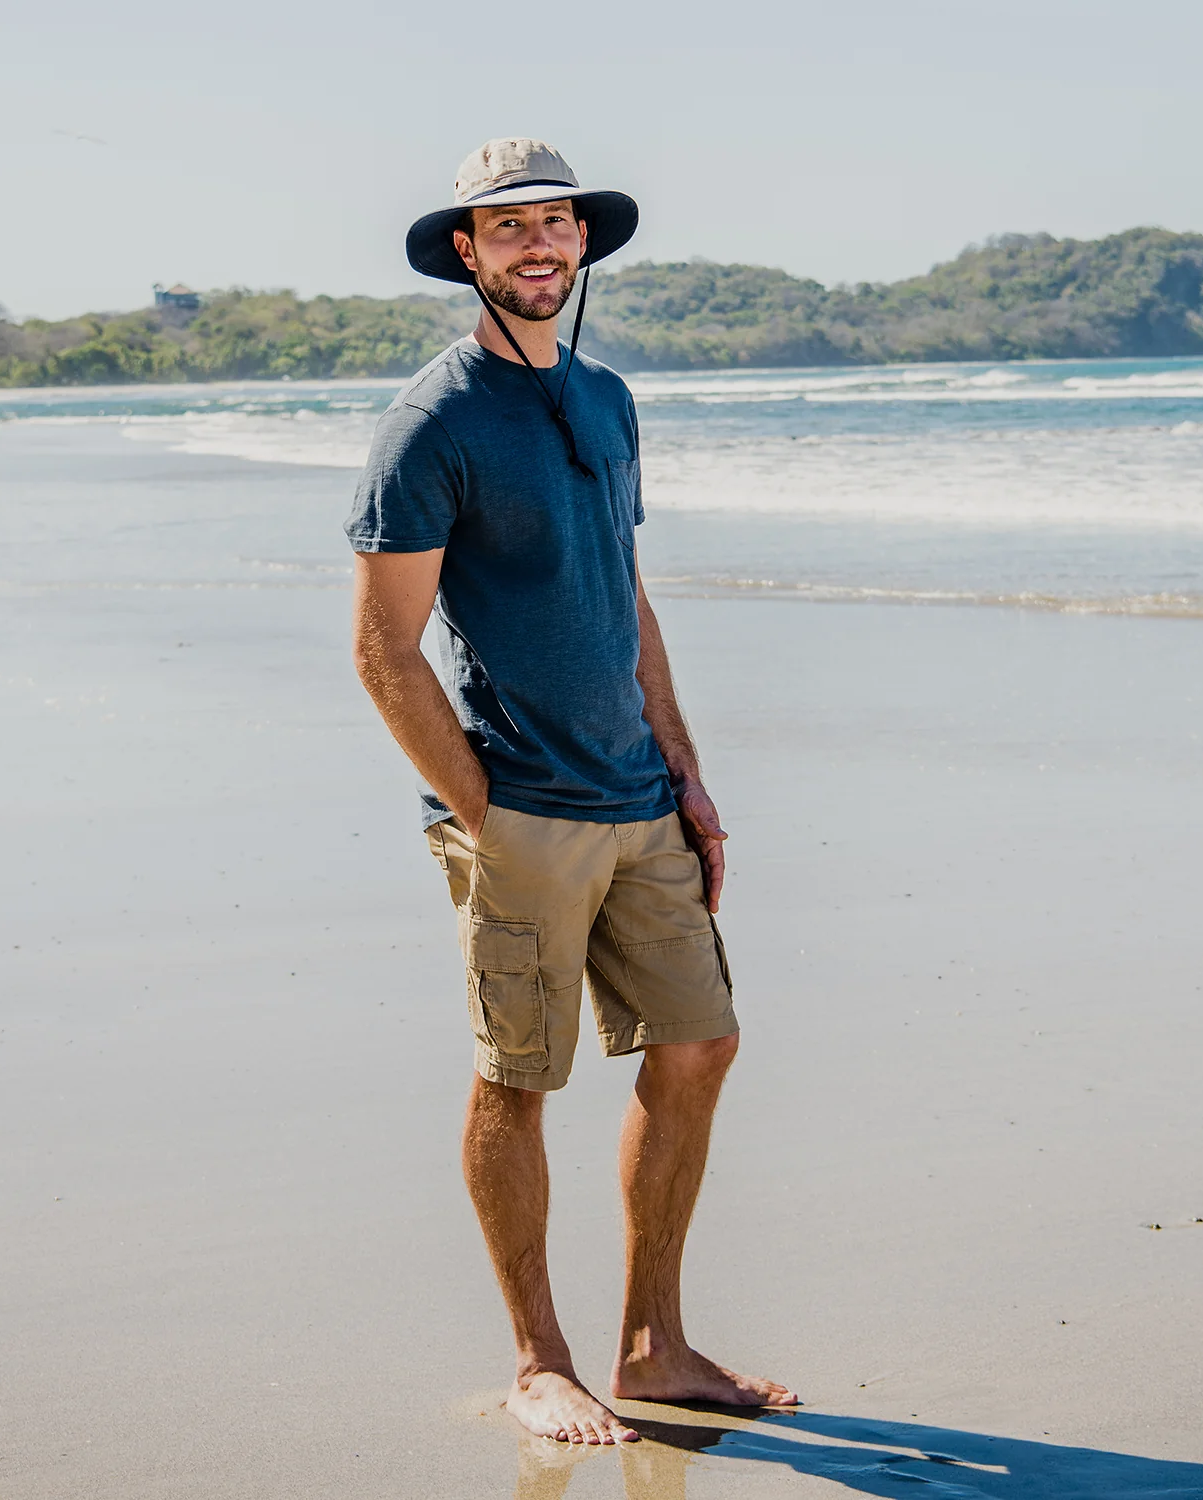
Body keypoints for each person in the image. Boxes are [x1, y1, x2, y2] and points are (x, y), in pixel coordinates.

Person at [346, 138, 796, 1448]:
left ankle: (653, 1346)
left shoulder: (606, 398)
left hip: (638, 798)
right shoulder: (432, 423)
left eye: (556, 222)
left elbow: (625, 595)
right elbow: (383, 649)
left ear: (583, 242)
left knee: (700, 1043)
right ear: (468, 253)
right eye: (509, 226)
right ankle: (539, 1361)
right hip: (519, 809)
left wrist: (685, 772)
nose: (537, 243)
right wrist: (484, 814)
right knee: (520, 1075)